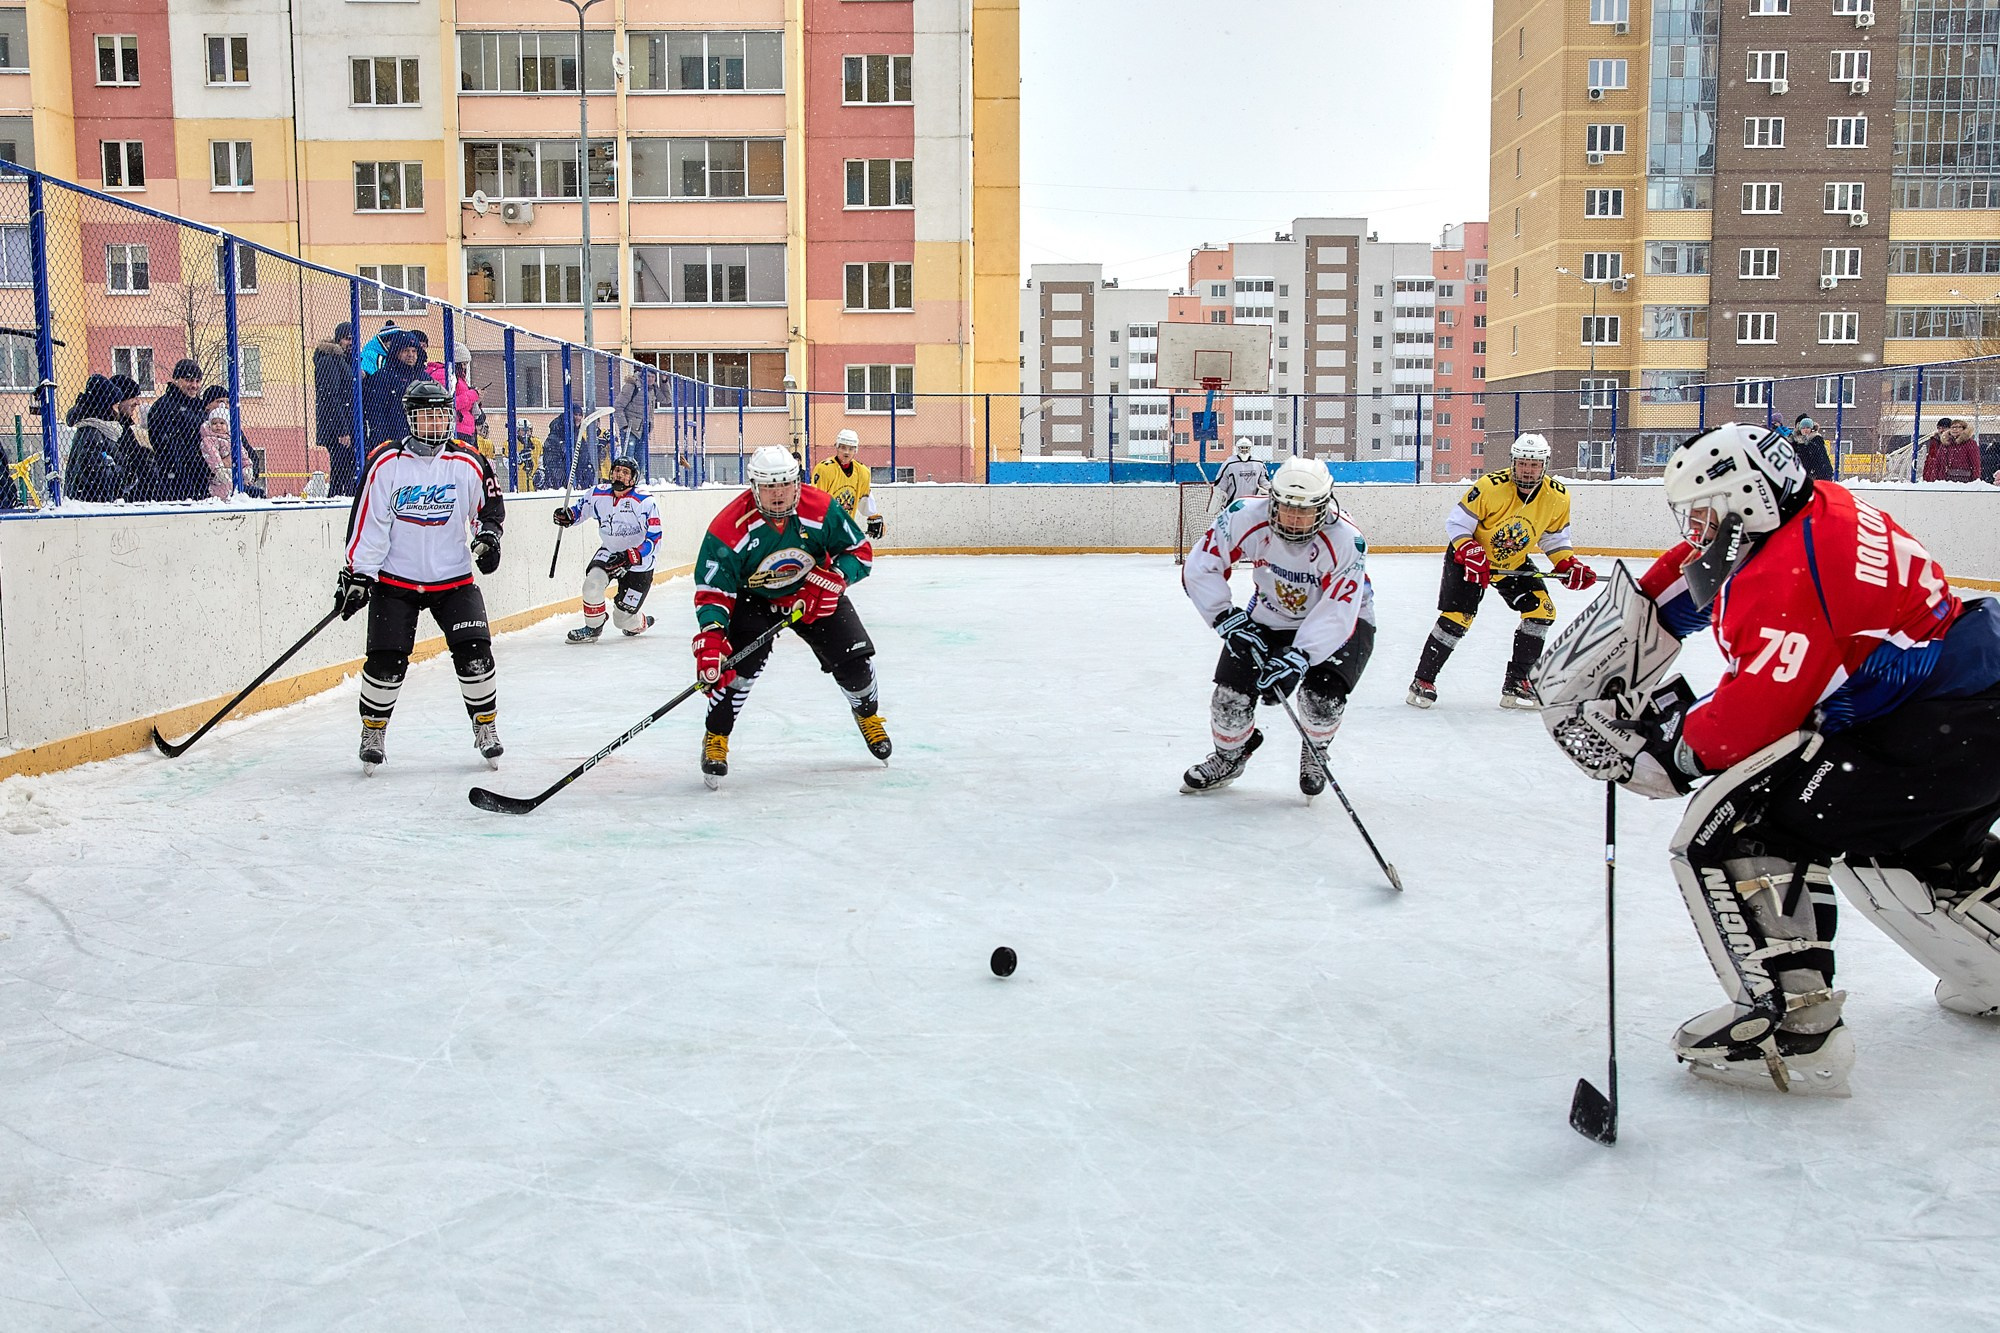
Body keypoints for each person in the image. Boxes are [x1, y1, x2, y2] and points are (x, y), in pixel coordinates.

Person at [1536, 421, 2000, 1097]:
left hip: (1937, 726)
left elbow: (1744, 727)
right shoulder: (1815, 509)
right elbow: (1703, 574)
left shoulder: (1794, 575)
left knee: (1737, 827)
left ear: (1748, 498)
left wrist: (1658, 747)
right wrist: (1640, 617)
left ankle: (1794, 1029)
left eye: (1704, 513)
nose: (1695, 529)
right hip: (1968, 712)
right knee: (1914, 841)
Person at [337, 378, 507, 772]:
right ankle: (373, 730)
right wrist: (360, 574)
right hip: (396, 581)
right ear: (411, 418)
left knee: (475, 653)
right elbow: (368, 522)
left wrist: (488, 537)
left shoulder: (468, 461)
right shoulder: (386, 462)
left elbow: (490, 511)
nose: (435, 422)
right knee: (386, 661)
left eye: (441, 414)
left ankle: (486, 726)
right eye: (426, 415)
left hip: (454, 580)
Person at [690, 445, 885, 787]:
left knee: (855, 661)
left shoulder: (822, 509)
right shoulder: (729, 526)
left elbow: (859, 552)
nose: (778, 494)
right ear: (753, 487)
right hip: (755, 600)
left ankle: (867, 714)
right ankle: (716, 736)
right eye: (768, 486)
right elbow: (714, 589)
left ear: (797, 482)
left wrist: (835, 581)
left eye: (784, 484)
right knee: (738, 666)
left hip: (813, 592)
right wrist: (711, 637)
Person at [1179, 457, 1374, 797]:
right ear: (1273, 499)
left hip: (1344, 622)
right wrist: (1225, 618)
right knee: (1229, 700)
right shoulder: (1243, 515)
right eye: (1286, 508)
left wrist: (1300, 656)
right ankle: (1231, 755)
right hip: (1271, 616)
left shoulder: (1347, 540)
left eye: (1306, 511)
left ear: (1324, 506)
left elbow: (1338, 610)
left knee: (1320, 700)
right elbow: (1202, 564)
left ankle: (1316, 749)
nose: (1295, 519)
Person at [1405, 433, 1597, 710]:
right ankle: (1423, 681)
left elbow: (1554, 539)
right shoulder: (1489, 487)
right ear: (1513, 462)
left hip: (1512, 561)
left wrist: (1568, 563)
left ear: (1545, 465)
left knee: (1542, 611)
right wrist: (1470, 552)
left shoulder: (1558, 496)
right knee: (1459, 617)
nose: (1527, 470)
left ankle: (1517, 683)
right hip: (1469, 558)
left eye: (1534, 465)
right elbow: (1457, 524)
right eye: (1522, 463)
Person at [553, 455, 662, 643]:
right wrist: (568, 516)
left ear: (633, 479)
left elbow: (655, 538)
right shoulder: (597, 494)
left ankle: (640, 621)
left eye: (625, 472)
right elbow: (580, 510)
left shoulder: (645, 501)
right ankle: (593, 628)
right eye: (617, 470)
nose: (619, 475)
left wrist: (632, 555)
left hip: (639, 563)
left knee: (623, 620)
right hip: (610, 550)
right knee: (591, 586)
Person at [62, 374, 154, 503]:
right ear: (106, 406)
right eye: (116, 404)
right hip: (94, 506)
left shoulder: (106, 431)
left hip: (102, 503)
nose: (137, 402)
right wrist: (128, 474)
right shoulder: (93, 432)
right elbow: (96, 475)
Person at [146, 358, 211, 501]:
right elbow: (170, 451)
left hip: (199, 481)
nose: (194, 385)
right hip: (177, 486)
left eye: (197, 381)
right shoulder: (164, 408)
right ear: (176, 379)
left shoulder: (199, 407)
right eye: (189, 380)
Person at [810, 428, 885, 539]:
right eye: (843, 447)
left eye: (851, 448)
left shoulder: (862, 471)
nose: (846, 452)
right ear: (837, 447)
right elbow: (816, 500)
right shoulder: (824, 469)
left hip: (846, 528)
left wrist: (873, 515)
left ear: (856, 450)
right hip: (825, 529)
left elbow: (864, 497)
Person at [361, 328, 428, 450]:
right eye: (406, 350)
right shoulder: (382, 378)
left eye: (414, 351)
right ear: (396, 352)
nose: (410, 355)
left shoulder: (424, 378)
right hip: (394, 441)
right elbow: (376, 413)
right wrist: (384, 442)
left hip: (421, 441)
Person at [314, 322, 357, 496]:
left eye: (353, 339)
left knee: (346, 470)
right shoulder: (329, 360)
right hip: (338, 427)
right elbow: (331, 396)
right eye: (347, 339)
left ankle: (342, 500)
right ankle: (336, 500)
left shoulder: (344, 360)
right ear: (339, 339)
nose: (351, 343)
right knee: (341, 470)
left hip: (345, 423)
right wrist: (342, 430)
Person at [1210, 439, 1269, 512]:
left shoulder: (1258, 463)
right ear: (1238, 448)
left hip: (1251, 503)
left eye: (1246, 448)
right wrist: (1217, 504)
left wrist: (1270, 491)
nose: (1244, 450)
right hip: (1233, 504)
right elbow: (1221, 486)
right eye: (1242, 448)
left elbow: (1265, 483)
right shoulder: (1229, 464)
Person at [1923, 417, 1981, 483]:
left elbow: (1975, 464)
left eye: (1958, 427)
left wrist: (1975, 481)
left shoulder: (1970, 443)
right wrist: (1933, 480)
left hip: (1964, 481)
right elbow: (1937, 464)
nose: (1954, 429)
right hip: (1944, 480)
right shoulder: (1945, 443)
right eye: (1952, 427)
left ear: (1963, 429)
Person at [1791, 414, 1835, 482]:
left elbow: (1816, 458)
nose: (1805, 430)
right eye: (1803, 428)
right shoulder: (1797, 440)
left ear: (1811, 429)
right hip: (1810, 474)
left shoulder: (1815, 439)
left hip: (1818, 475)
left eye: (1807, 427)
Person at [613, 369, 648, 455]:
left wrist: (664, 382)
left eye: (653, 377)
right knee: (628, 458)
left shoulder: (651, 389)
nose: (650, 379)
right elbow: (618, 406)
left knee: (640, 462)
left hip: (643, 429)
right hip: (630, 429)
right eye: (648, 376)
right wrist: (624, 426)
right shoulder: (632, 386)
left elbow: (666, 399)